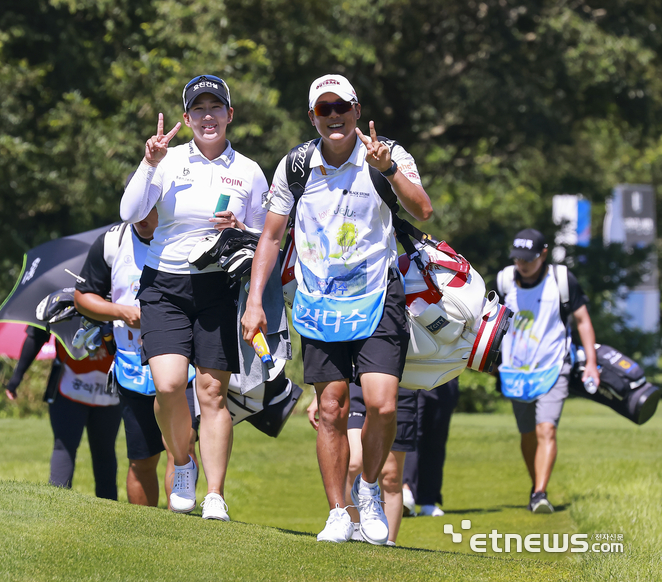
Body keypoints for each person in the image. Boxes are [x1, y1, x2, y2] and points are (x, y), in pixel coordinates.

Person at [242, 74, 432, 544]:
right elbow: (270, 236)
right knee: (331, 408)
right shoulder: (296, 165)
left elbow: (423, 209)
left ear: (355, 108)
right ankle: (337, 513)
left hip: (378, 294)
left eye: (341, 107)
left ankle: (367, 490)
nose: (334, 116)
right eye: (323, 109)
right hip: (320, 303)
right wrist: (254, 301)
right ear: (313, 117)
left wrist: (388, 169)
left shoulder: (385, 153)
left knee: (383, 404)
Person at [120, 74, 267, 520]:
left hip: (217, 285)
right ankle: (183, 463)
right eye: (198, 109)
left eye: (215, 107)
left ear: (229, 115)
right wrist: (148, 163)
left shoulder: (248, 171)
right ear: (186, 118)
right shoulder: (166, 159)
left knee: (212, 393)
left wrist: (241, 230)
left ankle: (215, 494)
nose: (208, 116)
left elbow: (267, 238)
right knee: (167, 385)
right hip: (164, 283)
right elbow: (129, 214)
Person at [74, 205, 199, 508]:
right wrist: (122, 311)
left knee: (180, 451)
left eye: (149, 211)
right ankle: (144, 529)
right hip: (132, 368)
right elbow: (82, 297)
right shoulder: (112, 242)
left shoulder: (186, 237)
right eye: (135, 212)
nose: (141, 219)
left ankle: (178, 523)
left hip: (181, 362)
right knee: (141, 459)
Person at [497, 228, 599, 513]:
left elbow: (583, 321)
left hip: (554, 365)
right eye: (518, 258)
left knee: (546, 429)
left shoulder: (562, 281)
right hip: (516, 371)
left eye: (528, 258)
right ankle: (536, 486)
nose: (522, 263)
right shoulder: (504, 280)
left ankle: (540, 493)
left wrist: (591, 362)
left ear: (543, 254)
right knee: (528, 433)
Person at [5, 325, 121, 499]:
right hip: (69, 388)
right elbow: (37, 334)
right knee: (64, 447)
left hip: (109, 390)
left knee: (104, 453)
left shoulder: (124, 300)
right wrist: (16, 378)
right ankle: (57, 504)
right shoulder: (61, 300)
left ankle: (111, 513)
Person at [307, 382, 418, 546]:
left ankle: (387, 543)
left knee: (391, 476)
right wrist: (321, 394)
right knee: (354, 462)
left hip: (401, 384)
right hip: (357, 383)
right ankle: (355, 530)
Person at [402, 378, 459, 518]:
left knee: (436, 438)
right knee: (410, 433)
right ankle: (405, 491)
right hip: (412, 374)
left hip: (446, 374)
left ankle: (428, 500)